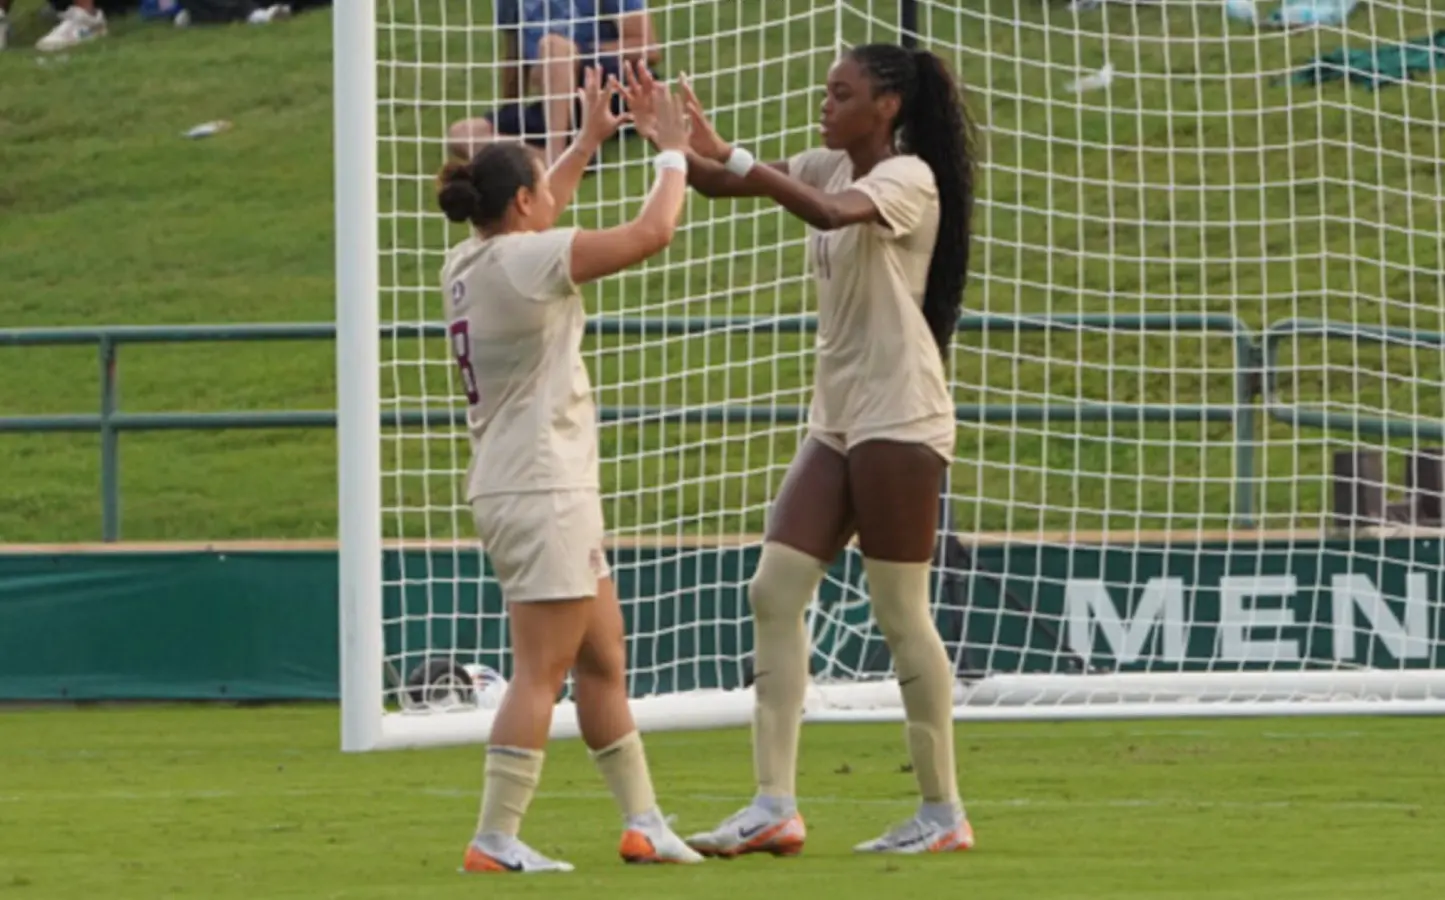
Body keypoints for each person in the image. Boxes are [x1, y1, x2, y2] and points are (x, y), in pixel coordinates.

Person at [621, 47, 977, 857]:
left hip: (900, 416)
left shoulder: (908, 178)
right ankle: (773, 804)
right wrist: (678, 144)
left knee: (899, 613)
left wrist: (731, 154)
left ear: (885, 106)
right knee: (774, 590)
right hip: (838, 417)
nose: (825, 104)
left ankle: (941, 811)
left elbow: (823, 210)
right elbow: (722, 182)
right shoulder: (824, 160)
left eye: (840, 93)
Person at [438, 68, 703, 874]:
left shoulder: (470, 255)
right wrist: (672, 155)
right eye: (538, 185)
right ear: (520, 205)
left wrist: (585, 142)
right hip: (540, 485)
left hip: (533, 484)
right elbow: (650, 233)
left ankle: (643, 823)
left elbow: (539, 205)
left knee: (601, 662)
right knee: (540, 672)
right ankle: (494, 837)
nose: (548, 196)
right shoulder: (527, 261)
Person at [447, 0, 662, 164]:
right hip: (556, 101)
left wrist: (571, 55)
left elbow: (648, 47)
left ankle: (555, 157)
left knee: (553, 47)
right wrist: (511, 113)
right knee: (462, 135)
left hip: (611, 88)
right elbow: (514, 54)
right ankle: (569, 155)